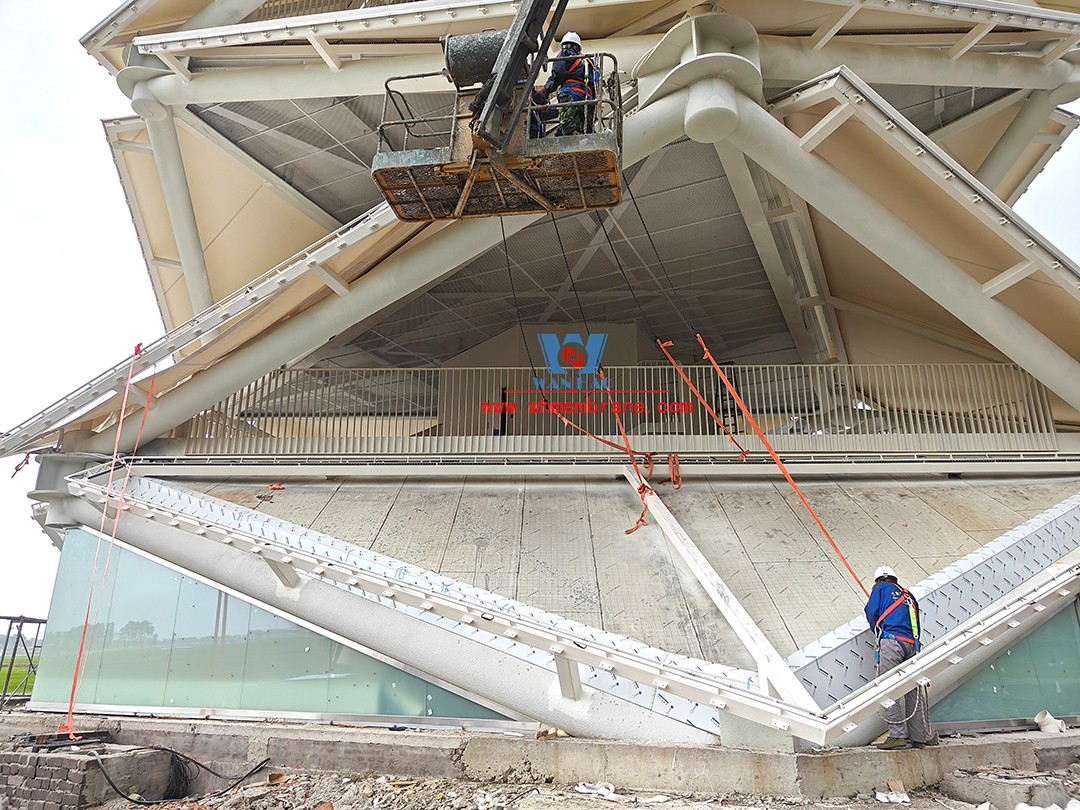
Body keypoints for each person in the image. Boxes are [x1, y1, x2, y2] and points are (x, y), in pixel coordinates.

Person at [864, 565, 932, 750]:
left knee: (888, 688)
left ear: (878, 579)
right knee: (914, 690)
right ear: (895, 578)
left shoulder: (879, 589)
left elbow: (871, 611)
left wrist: (877, 630)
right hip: (912, 645)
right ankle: (920, 736)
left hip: (892, 642)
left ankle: (897, 735)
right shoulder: (908, 595)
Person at [540, 32, 596, 136]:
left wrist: (545, 91)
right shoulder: (588, 61)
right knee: (587, 131)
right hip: (587, 100)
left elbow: (558, 74)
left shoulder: (564, 55)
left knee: (569, 133)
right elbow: (594, 85)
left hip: (570, 97)